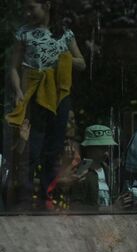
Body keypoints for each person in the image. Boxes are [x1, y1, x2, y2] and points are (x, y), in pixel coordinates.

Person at [5, 0, 86, 207]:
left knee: (54, 148)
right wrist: (18, 92)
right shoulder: (24, 33)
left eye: (31, 7)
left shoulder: (64, 34)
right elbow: (13, 67)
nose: (28, 13)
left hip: (59, 96)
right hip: (36, 94)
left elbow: (81, 63)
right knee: (32, 147)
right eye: (26, 8)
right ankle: (23, 197)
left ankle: (47, 197)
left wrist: (64, 58)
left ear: (47, 5)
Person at [69, 123, 115, 210]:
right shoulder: (81, 172)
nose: (106, 153)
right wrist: (104, 210)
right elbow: (75, 207)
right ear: (89, 148)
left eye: (107, 148)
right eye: (102, 148)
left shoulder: (107, 171)